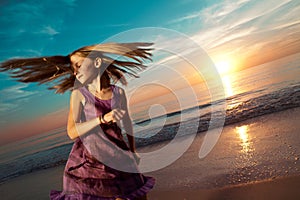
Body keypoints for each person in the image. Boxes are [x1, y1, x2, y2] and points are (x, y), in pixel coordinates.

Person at [0, 42, 155, 200]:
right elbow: (72, 132)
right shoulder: (79, 94)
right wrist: (102, 119)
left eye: (79, 65)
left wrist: (133, 150)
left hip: (120, 156)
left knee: (139, 196)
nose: (75, 72)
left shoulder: (118, 93)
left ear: (97, 62)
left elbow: (127, 123)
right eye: (73, 68)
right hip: (91, 163)